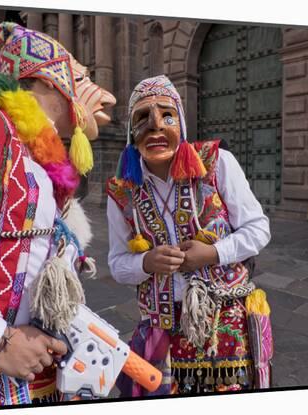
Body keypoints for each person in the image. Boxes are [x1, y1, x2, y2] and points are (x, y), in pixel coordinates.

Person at [0, 22, 115, 409]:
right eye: (81, 77)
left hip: (33, 373)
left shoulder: (32, 157)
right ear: (44, 82)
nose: (107, 96)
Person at [106, 75, 273, 396]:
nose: (155, 127)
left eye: (167, 116)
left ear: (181, 123)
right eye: (143, 118)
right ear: (131, 131)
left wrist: (213, 253)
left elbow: (258, 229)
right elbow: (117, 264)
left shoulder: (217, 163)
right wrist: (146, 262)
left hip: (225, 322)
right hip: (161, 329)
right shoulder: (121, 191)